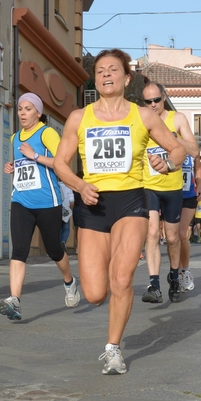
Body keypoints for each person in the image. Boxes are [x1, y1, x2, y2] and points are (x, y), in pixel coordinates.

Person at [53, 49, 186, 375]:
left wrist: (167, 163)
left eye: (113, 70)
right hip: (93, 204)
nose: (106, 75)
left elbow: (178, 148)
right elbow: (59, 163)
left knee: (122, 278)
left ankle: (113, 348)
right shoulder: (78, 118)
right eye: (100, 71)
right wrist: (80, 185)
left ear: (127, 79)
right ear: (94, 79)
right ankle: (108, 275)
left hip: (131, 202)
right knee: (96, 293)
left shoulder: (143, 116)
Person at [0, 93, 80, 320]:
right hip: (21, 201)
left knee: (54, 249)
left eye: (28, 109)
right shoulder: (14, 138)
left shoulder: (47, 133)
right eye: (20, 109)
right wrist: (13, 165)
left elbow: (61, 162)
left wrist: (34, 155)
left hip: (48, 202)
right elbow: (23, 163)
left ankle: (69, 281)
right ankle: (15, 301)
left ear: (38, 112)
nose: (23, 113)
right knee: (19, 251)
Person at [140, 80, 199, 305]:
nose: (153, 104)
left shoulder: (177, 119)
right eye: (148, 101)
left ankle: (174, 276)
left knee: (173, 237)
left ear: (164, 97)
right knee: (153, 232)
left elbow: (194, 151)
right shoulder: (142, 121)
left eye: (156, 100)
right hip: (149, 186)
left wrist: (171, 139)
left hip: (174, 187)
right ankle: (154, 284)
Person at [176, 159, 201, 297]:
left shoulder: (191, 148)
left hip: (188, 196)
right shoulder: (165, 142)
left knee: (181, 233)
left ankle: (185, 271)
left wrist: (199, 186)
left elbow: (199, 167)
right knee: (172, 237)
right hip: (171, 195)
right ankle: (176, 272)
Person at [60, 180, 75, 250]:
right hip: (66, 209)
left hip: (58, 208)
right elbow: (71, 196)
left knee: (59, 228)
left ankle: (59, 244)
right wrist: (71, 203)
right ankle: (63, 241)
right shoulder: (68, 185)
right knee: (66, 228)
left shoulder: (55, 184)